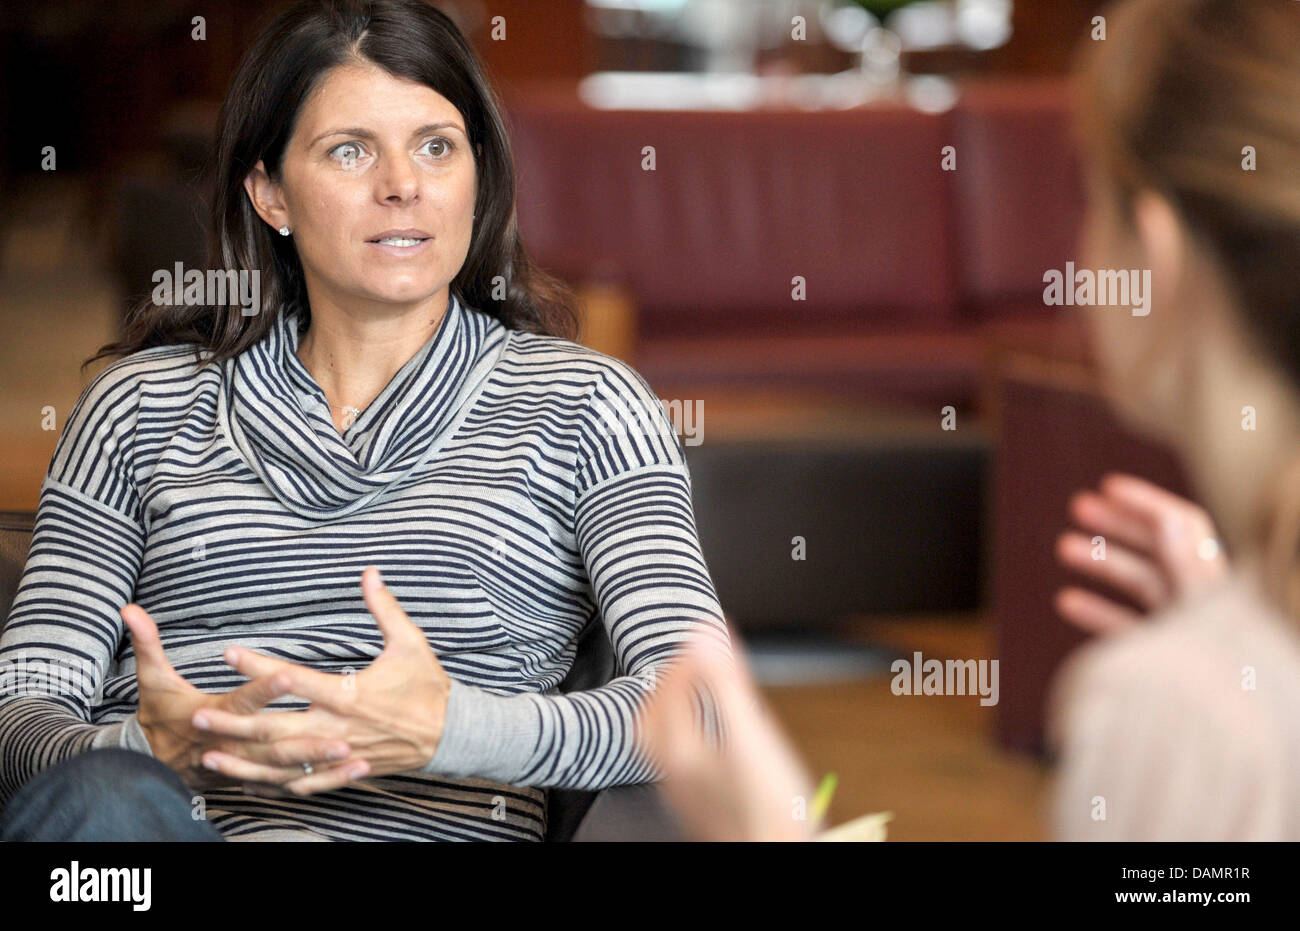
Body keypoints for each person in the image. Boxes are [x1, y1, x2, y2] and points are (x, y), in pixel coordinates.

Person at [0, 0, 729, 841]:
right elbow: (23, 709)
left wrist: (450, 729)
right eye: (350, 150)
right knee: (109, 804)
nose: (403, 185)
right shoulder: (138, 407)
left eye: (436, 146)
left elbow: (703, 707)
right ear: (269, 192)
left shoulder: (586, 405)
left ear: (479, 176)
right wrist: (146, 745)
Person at [640, 0, 1300, 842]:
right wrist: (1231, 627)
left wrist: (769, 829)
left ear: (1159, 260)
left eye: (1090, 198)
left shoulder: (1173, 709)